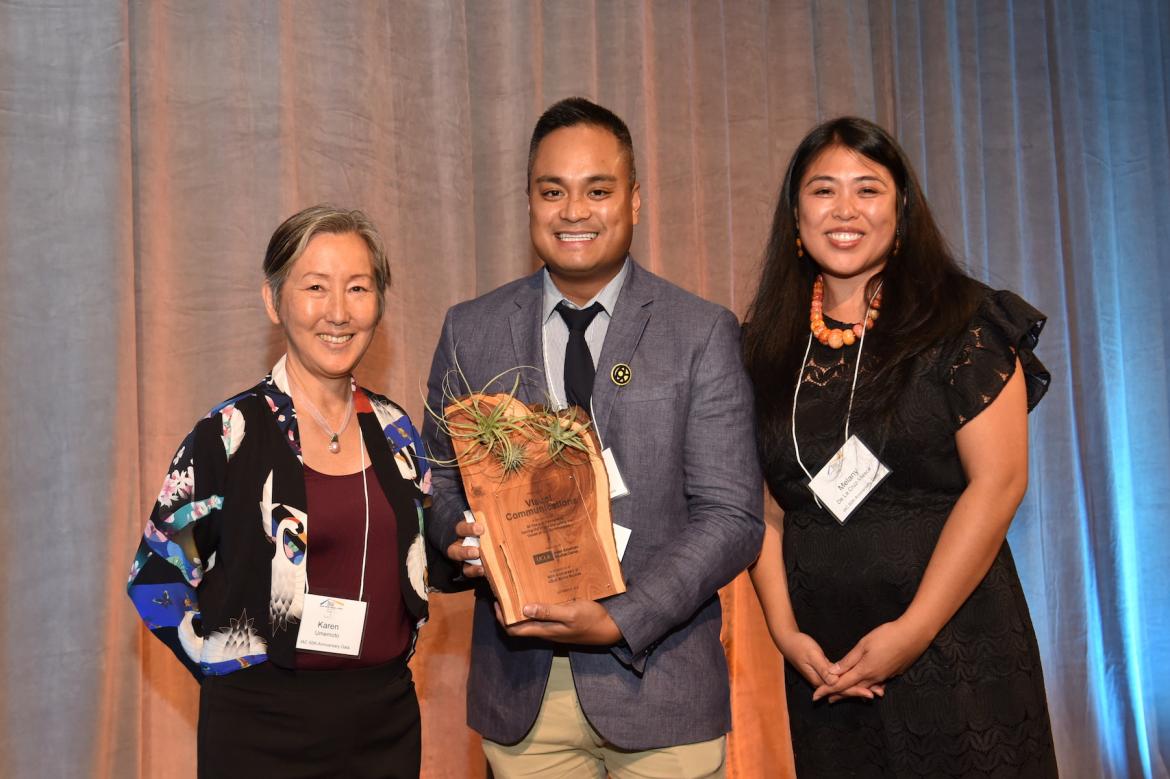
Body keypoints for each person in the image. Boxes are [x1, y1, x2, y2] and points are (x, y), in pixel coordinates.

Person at [422, 97, 764, 778]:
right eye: (553, 191)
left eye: (597, 190)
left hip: (661, 684)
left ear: (633, 200)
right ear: (529, 203)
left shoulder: (700, 332)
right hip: (523, 698)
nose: (573, 211)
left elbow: (732, 517)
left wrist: (624, 618)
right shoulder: (471, 328)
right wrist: (459, 535)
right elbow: (438, 483)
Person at [742, 117, 1059, 776]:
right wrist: (784, 632)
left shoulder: (964, 323)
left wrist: (911, 632)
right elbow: (755, 509)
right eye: (824, 190)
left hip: (955, 647)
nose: (846, 209)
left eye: (869, 189)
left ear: (902, 210)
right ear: (796, 215)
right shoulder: (759, 350)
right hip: (825, 663)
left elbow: (999, 484)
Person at [127, 205, 440, 778]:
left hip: (385, 724)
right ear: (274, 302)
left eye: (358, 288)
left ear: (379, 305)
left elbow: (423, 563)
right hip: (260, 734)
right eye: (315, 288)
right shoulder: (227, 437)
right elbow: (156, 580)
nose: (338, 312)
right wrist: (230, 665)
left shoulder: (398, 433)